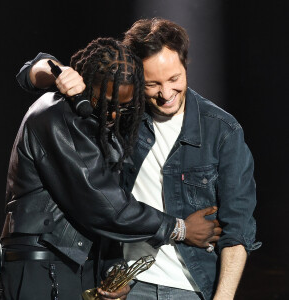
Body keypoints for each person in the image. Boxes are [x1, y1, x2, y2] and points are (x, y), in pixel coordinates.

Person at [24, 18, 261, 300]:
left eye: (175, 79)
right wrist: (61, 73)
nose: (166, 94)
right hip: (127, 285)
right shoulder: (118, 115)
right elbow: (31, 70)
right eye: (152, 84)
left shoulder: (222, 130)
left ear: (186, 65)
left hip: (191, 288)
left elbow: (239, 231)